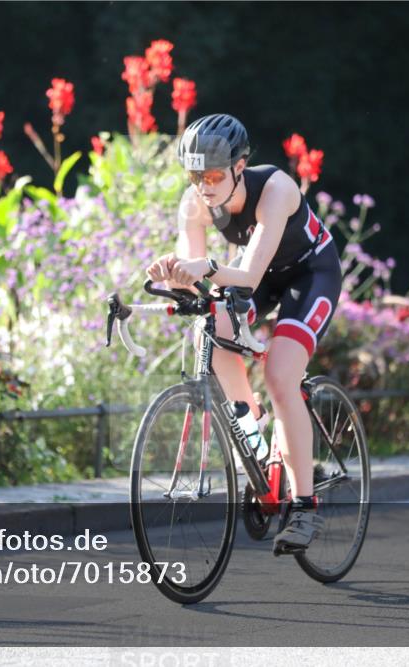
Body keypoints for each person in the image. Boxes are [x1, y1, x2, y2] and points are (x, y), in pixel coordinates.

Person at [145, 113, 343, 554]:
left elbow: (249, 276)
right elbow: (193, 276)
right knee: (207, 331)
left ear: (240, 166)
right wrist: (171, 272)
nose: (205, 185)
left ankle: (305, 506)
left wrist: (207, 269)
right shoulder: (194, 202)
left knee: (280, 374)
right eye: (196, 175)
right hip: (255, 277)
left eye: (214, 174)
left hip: (309, 276)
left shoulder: (277, 189)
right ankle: (253, 440)